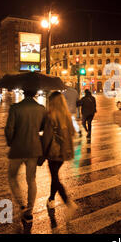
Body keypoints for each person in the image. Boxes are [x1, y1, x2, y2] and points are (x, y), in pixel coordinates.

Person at [4, 88, 47, 223]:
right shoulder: (41, 108)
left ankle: (21, 203)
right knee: (31, 179)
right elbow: (43, 128)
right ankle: (29, 210)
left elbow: (9, 129)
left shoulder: (15, 108)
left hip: (18, 147)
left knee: (12, 176)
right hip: (33, 148)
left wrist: (11, 142)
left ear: (23, 92)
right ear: (34, 93)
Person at [41, 91, 78, 219]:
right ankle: (51, 199)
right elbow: (73, 133)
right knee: (54, 175)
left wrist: (43, 152)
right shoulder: (67, 115)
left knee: (55, 178)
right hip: (64, 151)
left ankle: (68, 202)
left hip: (53, 151)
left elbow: (46, 137)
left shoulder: (51, 116)